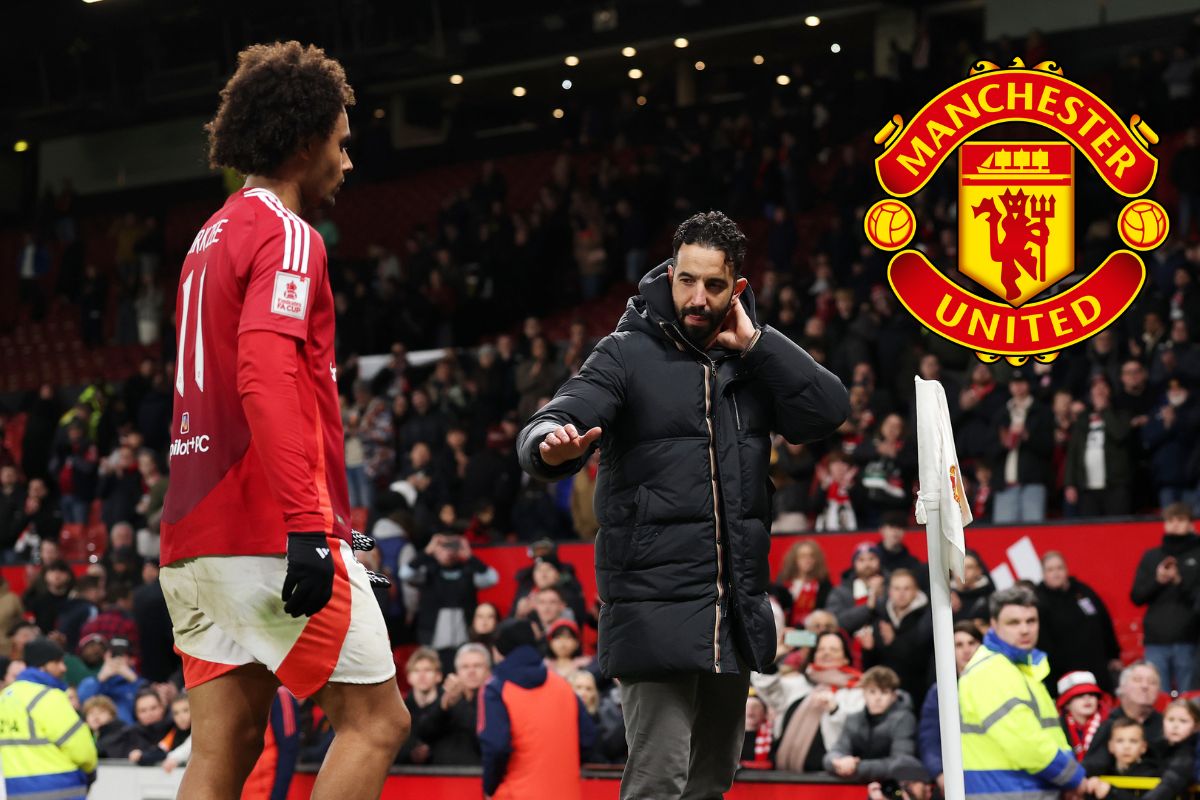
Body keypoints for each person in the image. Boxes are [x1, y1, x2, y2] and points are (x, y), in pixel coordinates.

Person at [516, 211, 849, 799]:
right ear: (670, 274)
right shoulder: (623, 352)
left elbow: (827, 411)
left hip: (732, 615)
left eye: (714, 285)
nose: (698, 298)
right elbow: (558, 416)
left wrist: (758, 345)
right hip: (653, 612)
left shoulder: (753, 361)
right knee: (658, 783)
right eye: (687, 280)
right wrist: (550, 443)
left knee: (711, 781)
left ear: (737, 289)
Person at [155, 41, 408, 800]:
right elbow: (264, 379)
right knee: (377, 723)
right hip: (262, 530)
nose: (348, 162)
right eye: (341, 143)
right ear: (306, 143)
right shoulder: (289, 236)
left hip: (190, 540)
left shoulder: (209, 237)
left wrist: (338, 521)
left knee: (221, 749)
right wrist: (308, 526)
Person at [959, 585, 1083, 799]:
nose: (1025, 629)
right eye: (1014, 622)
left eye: (1031, 621)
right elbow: (1025, 743)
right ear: (994, 625)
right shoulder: (992, 670)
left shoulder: (1019, 670)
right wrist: (1074, 778)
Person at [479, 618, 596, 800]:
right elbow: (588, 738)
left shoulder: (496, 687)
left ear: (499, 650)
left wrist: (489, 787)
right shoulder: (563, 686)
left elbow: (496, 747)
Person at [0, 637, 98, 800]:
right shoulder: (49, 697)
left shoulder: (5, 698)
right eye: (57, 662)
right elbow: (82, 750)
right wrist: (90, 770)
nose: (63, 668)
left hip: (15, 791)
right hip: (59, 789)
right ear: (43, 665)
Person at [1129, 502, 1200, 693]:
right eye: (1170, 520)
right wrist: (1158, 580)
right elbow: (1136, 597)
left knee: (1191, 700)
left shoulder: (1197, 554)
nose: (1175, 524)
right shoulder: (1152, 556)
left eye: (1181, 519)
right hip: (1156, 640)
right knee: (1157, 697)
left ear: (1191, 523)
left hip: (1190, 639)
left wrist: (1179, 581)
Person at [823, 665, 928, 785]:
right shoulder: (853, 719)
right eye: (872, 692)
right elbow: (835, 751)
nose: (877, 698)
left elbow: (901, 762)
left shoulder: (904, 719)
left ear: (893, 696)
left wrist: (856, 767)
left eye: (884, 692)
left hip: (894, 789)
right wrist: (838, 763)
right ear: (863, 694)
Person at [1035, 551, 1121, 694]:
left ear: (1066, 570)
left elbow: (1104, 623)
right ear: (1043, 574)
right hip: (1062, 674)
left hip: (1096, 668)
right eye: (1050, 569)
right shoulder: (1039, 600)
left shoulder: (1083, 591)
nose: (1056, 573)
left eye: (1059, 568)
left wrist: (1114, 655)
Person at [919, 621, 982, 792]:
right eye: (959, 645)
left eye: (972, 643)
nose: (966, 650)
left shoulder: (996, 686)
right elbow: (929, 738)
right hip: (954, 775)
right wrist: (939, 773)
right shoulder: (939, 692)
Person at [859, 568, 933, 702]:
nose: (901, 593)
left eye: (906, 588)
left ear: (916, 591)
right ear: (889, 591)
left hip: (918, 693)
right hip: (884, 694)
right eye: (897, 588)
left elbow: (922, 659)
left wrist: (894, 642)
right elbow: (872, 667)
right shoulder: (881, 616)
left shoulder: (928, 616)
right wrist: (868, 650)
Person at [415, 642, 491, 765]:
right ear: (457, 672)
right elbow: (423, 733)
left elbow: (483, 735)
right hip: (439, 777)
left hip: (476, 776)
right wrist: (443, 706)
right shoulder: (445, 697)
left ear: (488, 672)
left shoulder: (495, 701)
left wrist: (457, 702)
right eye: (465, 667)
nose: (471, 671)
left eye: (477, 666)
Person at [1083, 662, 1164, 775]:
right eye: (1137, 680)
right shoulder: (1108, 725)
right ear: (1121, 687)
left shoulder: (1166, 726)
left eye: (1152, 682)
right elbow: (1094, 764)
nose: (1145, 686)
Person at [1081, 719, 1157, 800]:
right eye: (1120, 741)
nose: (1126, 747)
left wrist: (1110, 792)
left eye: (1133, 741)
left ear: (1143, 747)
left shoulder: (1153, 774)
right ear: (1110, 746)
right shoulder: (1100, 772)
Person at [396, 647, 442, 766]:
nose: (422, 676)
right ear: (409, 677)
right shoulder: (399, 709)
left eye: (427, 670)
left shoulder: (448, 706)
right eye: (416, 671)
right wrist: (410, 756)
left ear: (438, 676)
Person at [570, 670, 627, 764]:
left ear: (594, 694)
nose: (583, 693)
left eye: (588, 689)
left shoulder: (602, 718)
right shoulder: (562, 718)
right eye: (578, 687)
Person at [775, 539, 832, 628]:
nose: (807, 560)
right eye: (803, 556)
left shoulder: (823, 585)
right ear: (794, 559)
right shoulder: (784, 584)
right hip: (788, 630)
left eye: (811, 556)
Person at [1055, 671, 1108, 763]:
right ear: (1066, 704)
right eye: (1079, 695)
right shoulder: (1056, 728)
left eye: (1092, 694)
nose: (1087, 698)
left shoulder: (1110, 725)